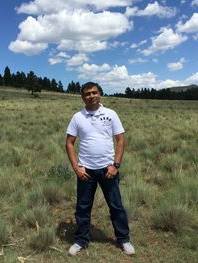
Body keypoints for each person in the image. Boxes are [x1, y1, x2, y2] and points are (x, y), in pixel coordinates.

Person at [65, 82, 135, 256]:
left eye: (94, 92)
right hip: (85, 171)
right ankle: (81, 240)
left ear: (100, 94)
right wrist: (76, 167)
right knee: (82, 207)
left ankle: (123, 239)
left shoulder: (111, 114)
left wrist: (115, 165)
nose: (91, 96)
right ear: (82, 97)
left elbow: (120, 140)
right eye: (87, 94)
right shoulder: (77, 117)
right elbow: (69, 143)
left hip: (108, 170)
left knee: (116, 206)